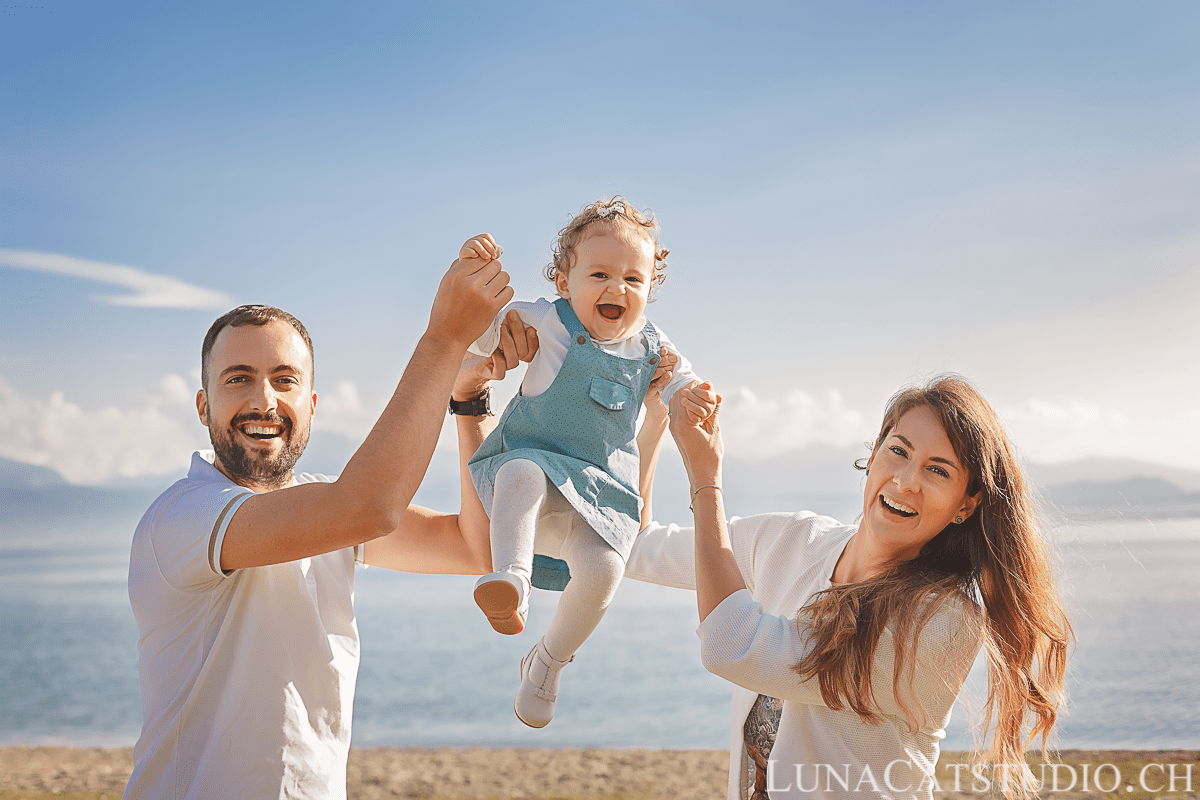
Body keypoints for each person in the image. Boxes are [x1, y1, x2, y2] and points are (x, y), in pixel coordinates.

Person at [123, 247, 537, 800]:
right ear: (204, 407)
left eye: (284, 379)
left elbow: (474, 548)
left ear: (313, 403)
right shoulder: (185, 518)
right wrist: (443, 340)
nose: (263, 400)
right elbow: (366, 506)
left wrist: (467, 402)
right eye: (238, 379)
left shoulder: (320, 508)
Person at [623, 375, 1072, 800]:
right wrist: (656, 414)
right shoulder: (790, 540)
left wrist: (706, 481)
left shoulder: (944, 622)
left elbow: (731, 644)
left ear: (965, 504)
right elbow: (635, 546)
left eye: (938, 471)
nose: (906, 480)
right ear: (873, 452)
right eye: (898, 451)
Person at [460, 197, 701, 728]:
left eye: (634, 280)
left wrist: (691, 397)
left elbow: (685, 383)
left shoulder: (653, 350)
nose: (618, 289)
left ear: (649, 291)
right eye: (600, 274)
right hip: (530, 481)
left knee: (605, 567)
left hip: (594, 501)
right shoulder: (550, 320)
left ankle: (547, 663)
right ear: (565, 281)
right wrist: (474, 279)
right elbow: (475, 326)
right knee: (522, 472)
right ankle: (512, 580)